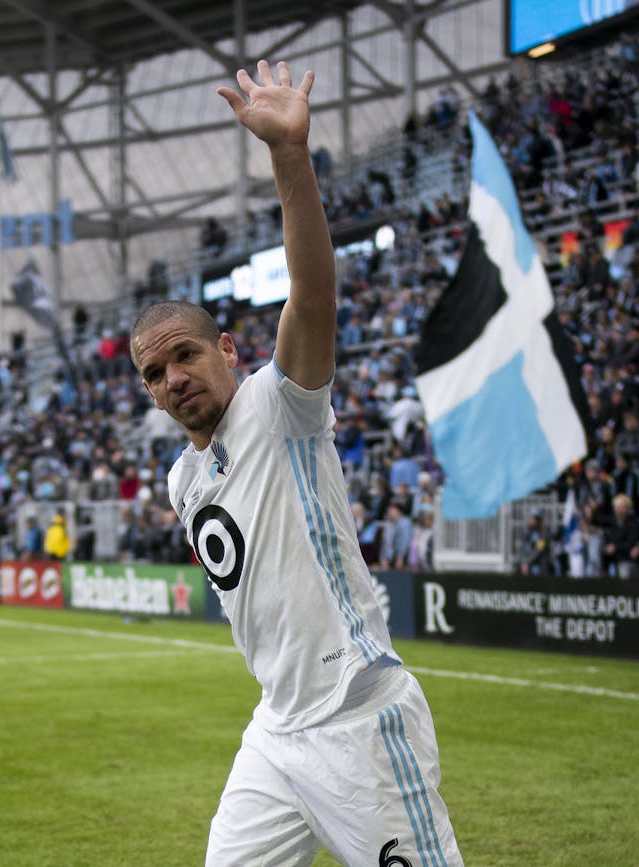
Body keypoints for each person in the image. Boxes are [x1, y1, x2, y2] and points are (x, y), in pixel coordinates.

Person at [132, 62, 459, 866]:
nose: (172, 379)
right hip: (278, 731)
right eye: (153, 373)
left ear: (228, 350)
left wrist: (290, 155)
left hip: (358, 718)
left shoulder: (282, 406)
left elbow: (312, 295)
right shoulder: (183, 479)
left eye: (184, 356)